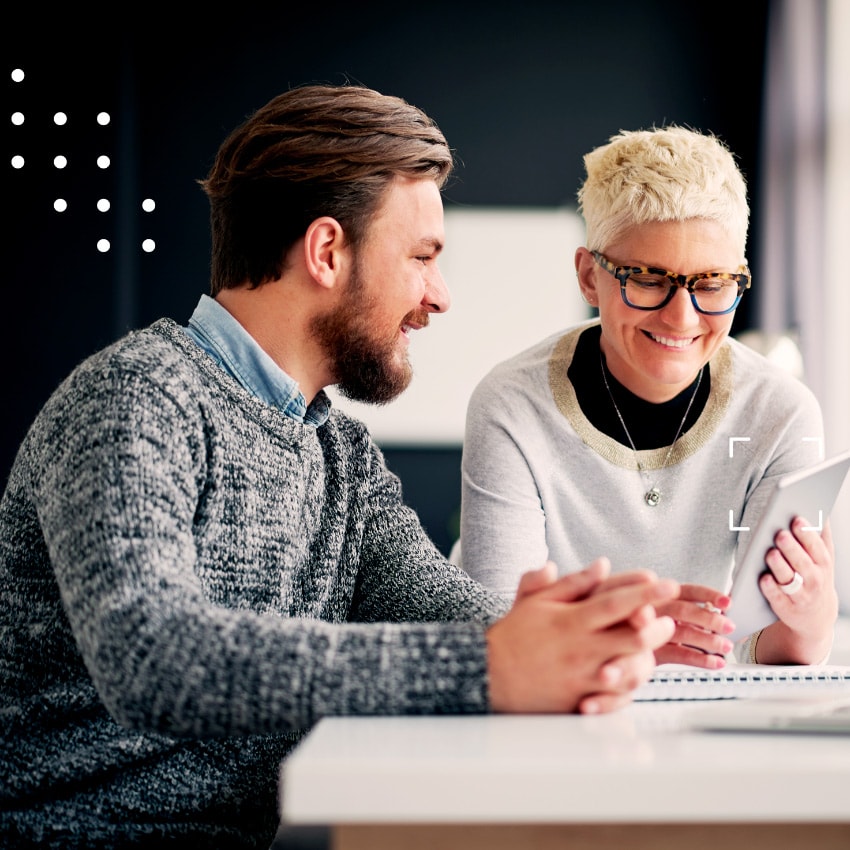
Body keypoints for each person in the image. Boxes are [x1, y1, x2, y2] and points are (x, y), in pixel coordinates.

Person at [0, 85, 679, 849]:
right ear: (327, 251)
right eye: (422, 257)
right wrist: (490, 664)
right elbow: (155, 657)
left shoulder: (339, 453)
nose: (439, 297)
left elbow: (442, 607)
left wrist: (583, 635)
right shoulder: (135, 398)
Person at [459, 125, 837, 670]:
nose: (681, 318)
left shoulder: (780, 412)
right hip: (551, 700)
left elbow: (769, 651)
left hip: (692, 692)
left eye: (711, 284)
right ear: (590, 278)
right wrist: (634, 644)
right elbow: (499, 637)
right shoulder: (511, 406)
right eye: (647, 279)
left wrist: (811, 617)